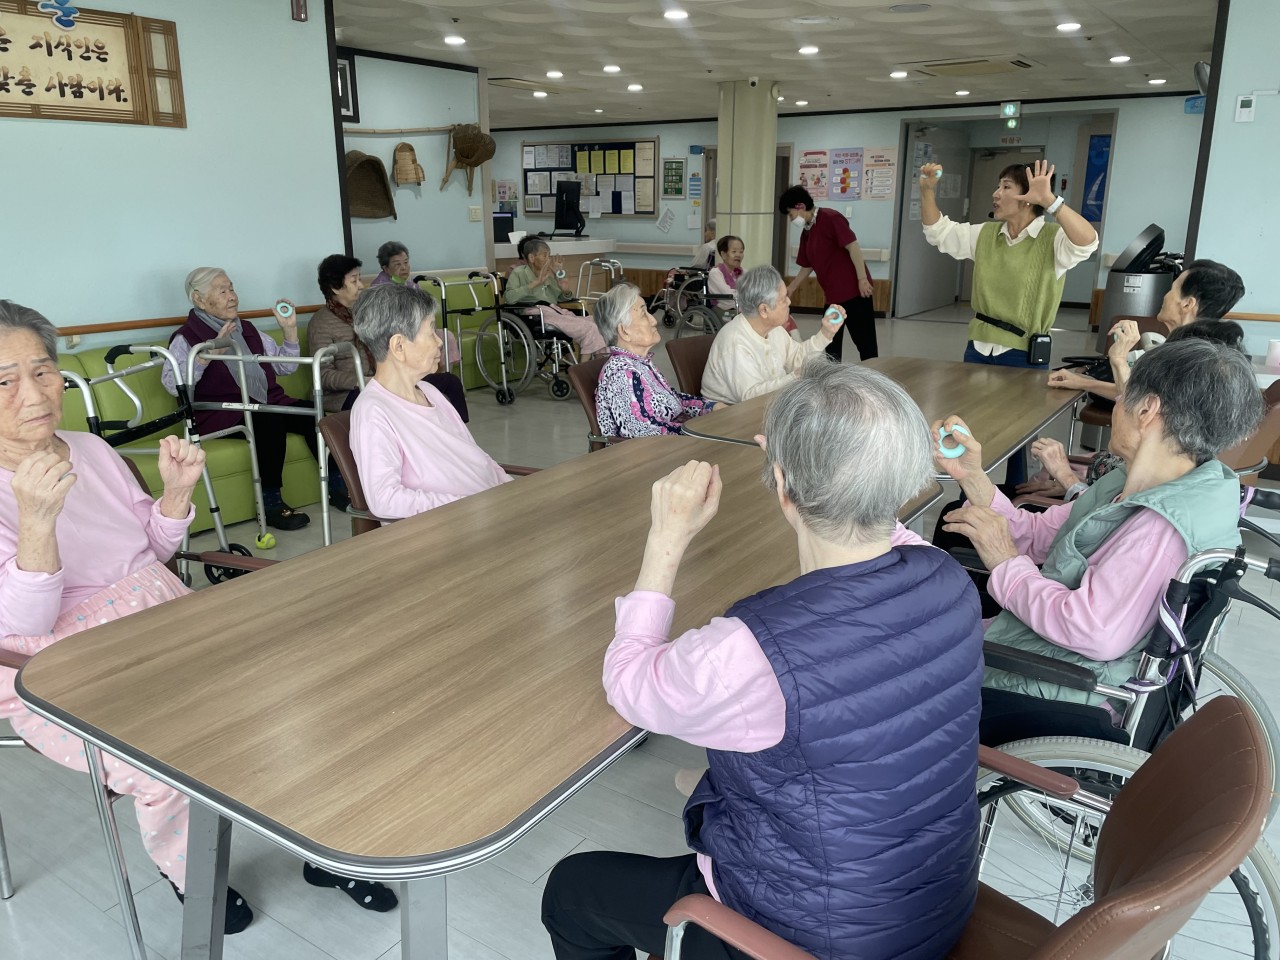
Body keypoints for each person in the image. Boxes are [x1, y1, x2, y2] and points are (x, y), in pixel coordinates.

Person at [542, 359, 984, 960]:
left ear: (780, 485)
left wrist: (666, 537)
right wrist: (811, 466)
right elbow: (884, 532)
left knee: (571, 892)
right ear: (902, 480)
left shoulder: (750, 650)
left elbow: (629, 685)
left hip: (814, 938)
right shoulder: (948, 579)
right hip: (934, 904)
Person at [0, 302, 397, 935]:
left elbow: (152, 552)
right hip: (53, 665)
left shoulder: (90, 449)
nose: (33, 393)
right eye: (5, 379)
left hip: (164, 616)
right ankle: (192, 872)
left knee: (305, 690)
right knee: (168, 761)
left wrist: (176, 494)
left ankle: (326, 845)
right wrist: (38, 524)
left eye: (42, 371)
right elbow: (26, 623)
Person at [935, 340, 1264, 746]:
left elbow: (1094, 630)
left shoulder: (1160, 529)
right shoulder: (1134, 482)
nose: (1116, 404)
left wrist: (1005, 562)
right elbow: (1040, 536)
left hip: (1060, 686)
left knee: (905, 658)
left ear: (1147, 410)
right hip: (1043, 649)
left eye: (1124, 395)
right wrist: (971, 476)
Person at [1021, 319, 1248, 500]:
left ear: (1148, 410)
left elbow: (1107, 517)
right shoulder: (1195, 460)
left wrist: (1067, 479)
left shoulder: (1151, 472)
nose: (1122, 405)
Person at [162, 268, 315, 531]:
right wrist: (208, 355)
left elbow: (284, 367)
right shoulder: (186, 337)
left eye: (231, 289)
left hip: (263, 404)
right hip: (219, 412)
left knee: (314, 413)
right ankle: (270, 504)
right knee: (267, 419)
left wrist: (289, 331)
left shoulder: (248, 330)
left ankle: (341, 486)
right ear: (199, 299)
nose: (232, 296)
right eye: (222, 291)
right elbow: (172, 385)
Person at [350, 284, 511, 521]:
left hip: (489, 513)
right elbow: (385, 500)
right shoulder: (372, 412)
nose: (439, 342)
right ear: (399, 346)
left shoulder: (429, 391)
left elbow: (476, 456)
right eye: (431, 332)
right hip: (449, 528)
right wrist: (471, 505)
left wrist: (511, 490)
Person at [920, 159, 1098, 369]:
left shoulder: (1053, 239)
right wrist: (926, 190)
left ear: (1028, 198)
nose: (996, 194)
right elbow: (938, 232)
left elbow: (1088, 242)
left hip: (1024, 352)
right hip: (978, 347)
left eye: (1006, 187)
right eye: (998, 186)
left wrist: (1050, 201)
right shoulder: (985, 234)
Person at [1047, 259, 1246, 400]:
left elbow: (1138, 404)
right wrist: (1084, 382)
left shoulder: (1191, 360)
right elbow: (1142, 393)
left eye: (1172, 289)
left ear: (1187, 304)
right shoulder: (1198, 347)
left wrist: (1119, 359)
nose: (1165, 296)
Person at [308, 254, 470, 424]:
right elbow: (324, 375)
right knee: (385, 401)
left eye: (360, 279)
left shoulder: (367, 313)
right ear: (335, 287)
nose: (361, 285)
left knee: (450, 383)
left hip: (387, 381)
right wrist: (361, 381)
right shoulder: (321, 323)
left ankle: (458, 435)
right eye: (354, 281)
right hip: (347, 393)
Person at [700, 265, 844, 405]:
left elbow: (796, 358)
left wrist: (825, 333)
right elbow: (750, 397)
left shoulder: (774, 329)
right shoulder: (735, 343)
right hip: (729, 413)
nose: (789, 301)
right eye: (783, 299)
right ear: (764, 310)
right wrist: (795, 377)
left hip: (767, 404)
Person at [593, 283, 717, 438]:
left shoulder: (640, 363)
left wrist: (711, 407)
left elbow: (674, 401)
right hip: (655, 451)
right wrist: (699, 431)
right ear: (624, 331)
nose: (653, 320)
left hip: (674, 443)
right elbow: (644, 432)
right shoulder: (622, 374)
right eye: (644, 315)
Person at [778, 185, 877, 361]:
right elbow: (807, 265)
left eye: (791, 215)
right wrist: (791, 288)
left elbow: (853, 246)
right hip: (833, 298)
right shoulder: (807, 232)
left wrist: (862, 278)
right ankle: (832, 378)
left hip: (855, 293)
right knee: (831, 347)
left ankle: (874, 377)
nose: (791, 219)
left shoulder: (831, 218)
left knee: (865, 344)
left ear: (800, 206)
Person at [505, 237, 608, 358]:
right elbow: (509, 298)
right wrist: (536, 283)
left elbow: (560, 298)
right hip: (535, 315)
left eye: (549, 256)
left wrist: (564, 289)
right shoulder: (518, 272)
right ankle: (583, 367)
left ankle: (599, 364)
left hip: (554, 311)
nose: (548, 260)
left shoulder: (548, 275)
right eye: (545, 256)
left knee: (598, 324)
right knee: (590, 327)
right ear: (532, 258)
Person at [368, 241, 463, 365]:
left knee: (446, 336)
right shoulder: (379, 288)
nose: (404, 268)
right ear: (385, 268)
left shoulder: (410, 283)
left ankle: (442, 374)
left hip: (417, 330)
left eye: (406, 262)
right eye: (397, 264)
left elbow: (425, 309)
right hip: (395, 336)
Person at [705, 235, 743, 300]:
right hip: (725, 306)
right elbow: (728, 294)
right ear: (723, 254)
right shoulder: (716, 273)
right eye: (734, 251)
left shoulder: (744, 272)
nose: (738, 255)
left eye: (741, 252)